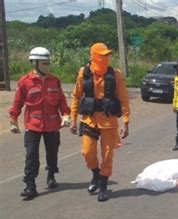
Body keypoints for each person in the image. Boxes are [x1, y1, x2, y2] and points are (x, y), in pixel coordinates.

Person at [70, 43, 130, 202]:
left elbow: (124, 99)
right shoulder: (84, 74)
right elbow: (76, 96)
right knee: (87, 152)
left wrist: (125, 121)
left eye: (107, 55)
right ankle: (96, 174)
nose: (106, 58)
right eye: (102, 55)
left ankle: (103, 185)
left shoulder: (115, 75)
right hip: (89, 120)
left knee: (108, 155)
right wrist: (73, 118)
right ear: (93, 56)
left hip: (109, 121)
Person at [9, 47, 71, 200]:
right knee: (31, 156)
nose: (47, 66)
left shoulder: (54, 80)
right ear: (34, 63)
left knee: (52, 152)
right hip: (33, 125)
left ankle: (51, 174)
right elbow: (17, 103)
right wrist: (13, 120)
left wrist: (66, 115)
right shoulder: (25, 82)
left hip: (52, 124)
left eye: (48, 63)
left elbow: (62, 101)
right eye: (44, 63)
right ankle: (30, 185)